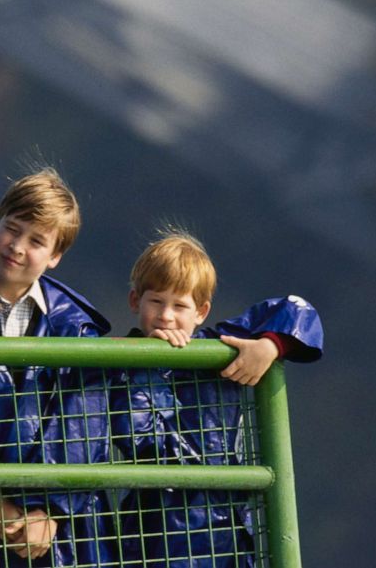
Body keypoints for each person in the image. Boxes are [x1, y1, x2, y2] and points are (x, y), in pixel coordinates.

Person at [0, 168, 116, 568]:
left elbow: (86, 425)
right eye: (13, 229)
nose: (17, 247)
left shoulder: (76, 327)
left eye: (37, 241)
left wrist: (51, 511)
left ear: (55, 257)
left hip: (60, 532)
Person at [110, 231, 323, 568]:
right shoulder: (119, 363)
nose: (166, 316)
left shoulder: (221, 347)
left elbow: (298, 310)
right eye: (156, 301)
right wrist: (148, 366)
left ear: (201, 311)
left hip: (228, 532)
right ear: (135, 301)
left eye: (180, 305)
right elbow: (137, 436)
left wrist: (270, 346)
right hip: (154, 536)